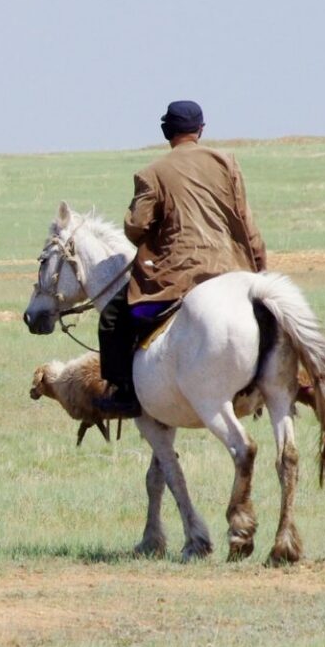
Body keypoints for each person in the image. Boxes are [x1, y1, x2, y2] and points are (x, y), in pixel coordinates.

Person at [94, 100, 267, 417]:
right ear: (201, 130)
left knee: (112, 320)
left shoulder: (152, 173)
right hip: (233, 268)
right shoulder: (227, 162)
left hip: (179, 275)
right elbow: (246, 221)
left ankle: (124, 394)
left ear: (166, 132)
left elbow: (135, 228)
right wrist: (259, 269)